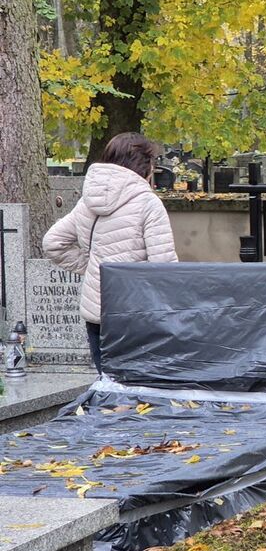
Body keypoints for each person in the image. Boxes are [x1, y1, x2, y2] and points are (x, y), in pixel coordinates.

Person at [43, 133, 178, 373]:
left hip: (97, 313)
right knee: (139, 393)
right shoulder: (148, 203)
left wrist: (94, 267)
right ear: (145, 165)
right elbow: (165, 269)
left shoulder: (88, 201)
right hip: (137, 316)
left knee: (107, 387)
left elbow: (53, 243)